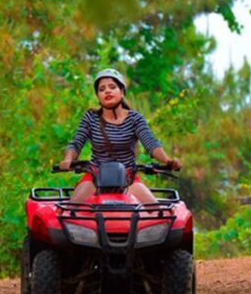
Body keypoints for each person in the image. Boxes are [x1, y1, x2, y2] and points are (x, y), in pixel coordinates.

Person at [59, 68, 181, 204]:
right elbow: (76, 143)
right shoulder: (90, 118)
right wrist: (68, 159)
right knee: (70, 211)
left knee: (156, 212)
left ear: (122, 92)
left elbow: (151, 144)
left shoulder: (135, 119)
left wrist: (167, 161)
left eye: (112, 87)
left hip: (128, 179)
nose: (107, 91)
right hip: (95, 177)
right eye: (102, 89)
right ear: (98, 96)